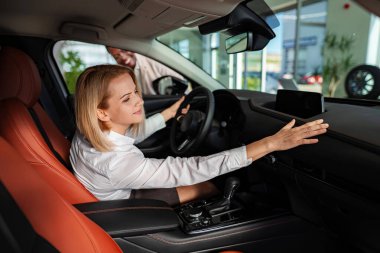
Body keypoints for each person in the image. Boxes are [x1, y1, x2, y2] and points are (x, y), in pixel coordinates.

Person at [70, 64, 329, 206]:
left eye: (136, 91)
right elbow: (191, 169)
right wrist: (271, 143)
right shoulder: (116, 163)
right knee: (208, 185)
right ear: (102, 113)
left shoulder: (89, 130)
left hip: (113, 191)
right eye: (128, 98)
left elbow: (133, 137)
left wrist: (170, 114)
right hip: (127, 205)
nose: (138, 101)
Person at [106, 46, 185, 95]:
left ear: (131, 47)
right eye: (116, 57)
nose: (123, 58)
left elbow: (181, 82)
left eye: (123, 50)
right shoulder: (121, 75)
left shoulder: (154, 61)